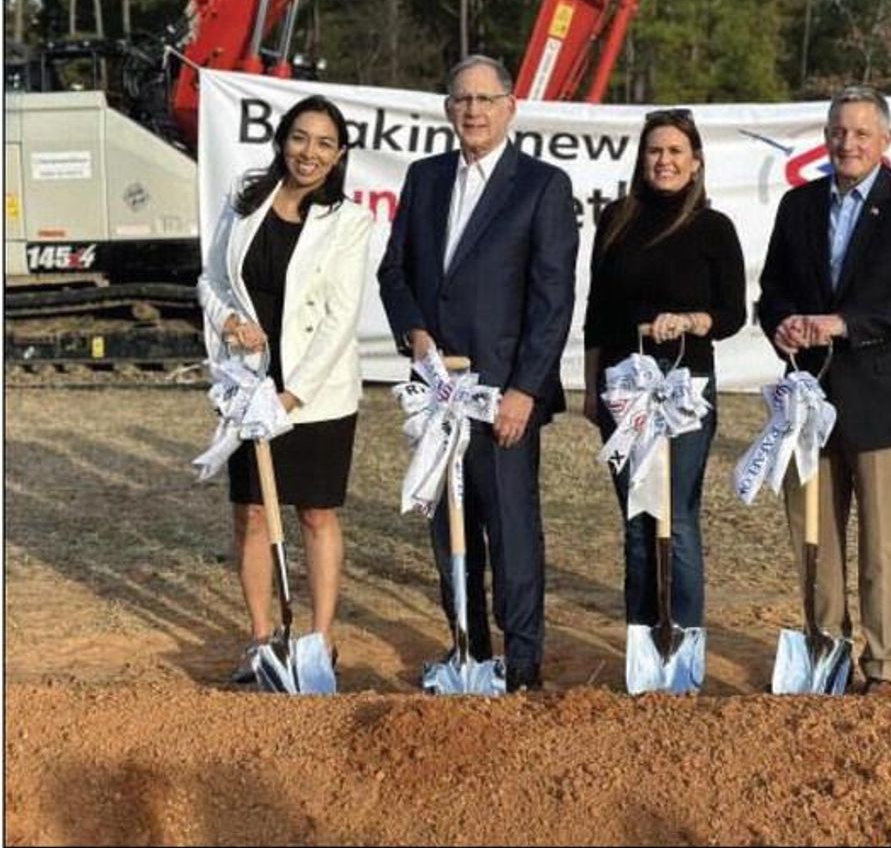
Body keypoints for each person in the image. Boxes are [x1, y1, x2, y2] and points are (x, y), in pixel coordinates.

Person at [378, 54, 578, 693]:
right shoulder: (425, 177)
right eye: (462, 99)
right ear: (447, 109)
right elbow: (395, 271)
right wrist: (413, 331)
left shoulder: (541, 186)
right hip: (439, 394)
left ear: (510, 107)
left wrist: (525, 388)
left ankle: (522, 663)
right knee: (450, 530)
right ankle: (469, 648)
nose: (473, 111)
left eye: (486, 99)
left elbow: (553, 298)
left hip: (503, 396)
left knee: (512, 529)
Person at [757, 84, 891, 695]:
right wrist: (783, 324)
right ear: (825, 137)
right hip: (809, 402)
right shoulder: (798, 206)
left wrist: (845, 326)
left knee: (884, 546)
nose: (848, 143)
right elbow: (773, 291)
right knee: (813, 538)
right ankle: (826, 653)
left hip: (886, 404)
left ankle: (885, 665)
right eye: (838, 132)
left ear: (886, 140)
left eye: (862, 133)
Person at [198, 94, 374, 683]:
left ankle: (319, 641)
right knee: (250, 514)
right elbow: (212, 278)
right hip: (249, 385)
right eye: (300, 138)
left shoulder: (349, 222)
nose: (310, 152)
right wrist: (226, 321)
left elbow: (339, 319)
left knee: (316, 515)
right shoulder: (246, 200)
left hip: (314, 396)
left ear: (339, 154)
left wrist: (291, 396)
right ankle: (260, 639)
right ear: (282, 141)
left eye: (325, 143)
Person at [583, 107, 745, 658]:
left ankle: (683, 641)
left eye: (676, 151)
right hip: (623, 390)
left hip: (686, 392)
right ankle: (645, 640)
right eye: (655, 150)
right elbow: (597, 311)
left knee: (675, 514)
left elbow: (732, 314)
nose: (665, 160)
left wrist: (693, 320)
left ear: (696, 162)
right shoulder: (617, 219)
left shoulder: (713, 228)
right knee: (637, 518)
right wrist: (590, 389)